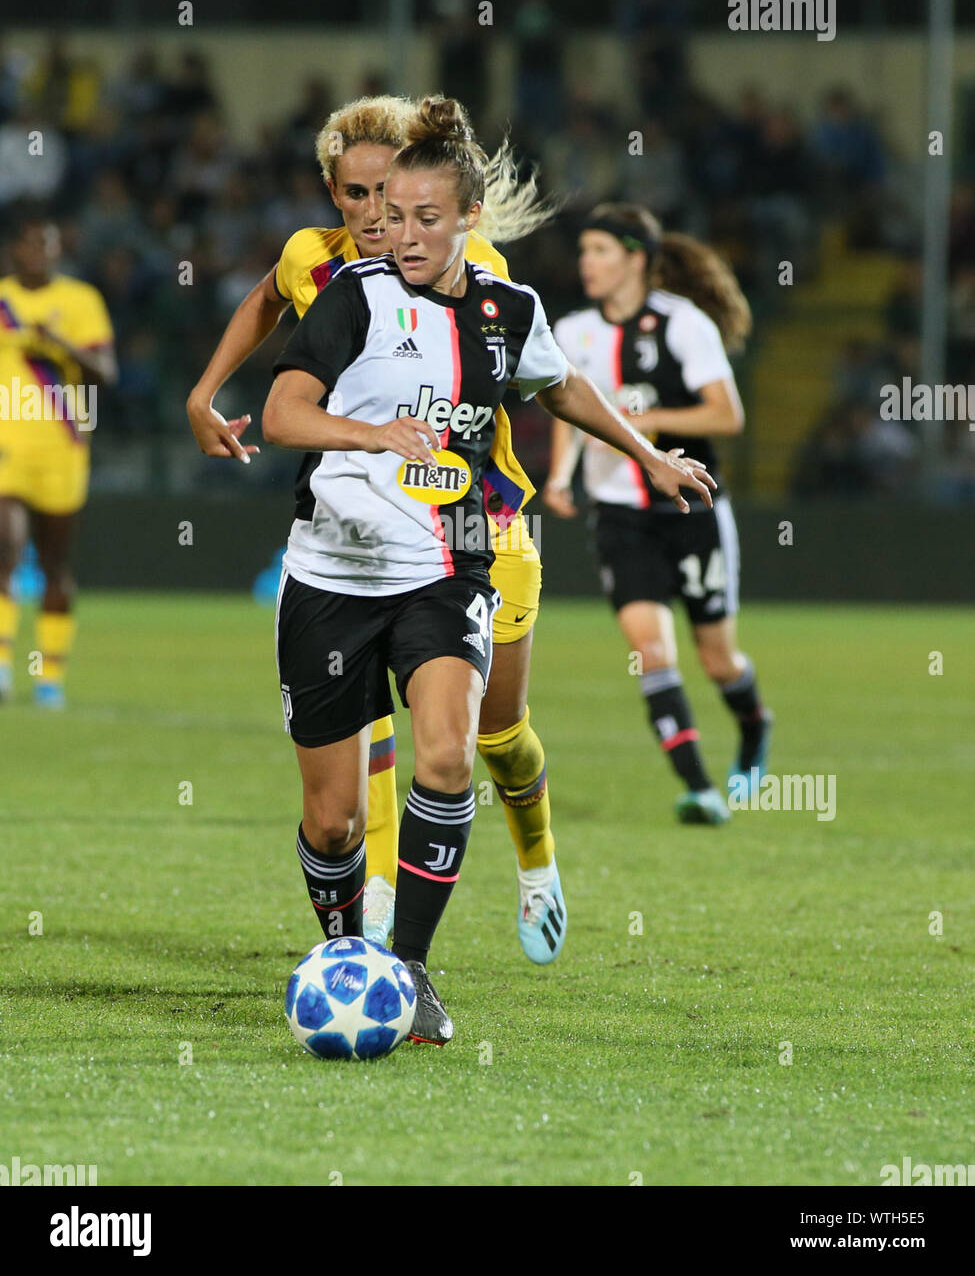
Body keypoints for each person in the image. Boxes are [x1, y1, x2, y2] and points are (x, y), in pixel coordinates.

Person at [262, 99, 715, 1043]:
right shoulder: (354, 295)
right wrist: (367, 433)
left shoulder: (511, 311)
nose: (406, 232)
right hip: (334, 567)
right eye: (394, 212)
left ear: (468, 217)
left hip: (451, 557)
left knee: (443, 755)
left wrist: (654, 458)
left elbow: (564, 387)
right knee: (335, 822)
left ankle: (413, 970)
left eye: (429, 217)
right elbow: (282, 413)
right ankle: (348, 950)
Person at [188, 95, 570, 966]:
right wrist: (203, 392)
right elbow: (263, 303)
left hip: (484, 525)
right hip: (364, 539)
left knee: (498, 733)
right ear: (333, 194)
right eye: (355, 198)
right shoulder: (315, 264)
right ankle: (385, 915)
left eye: (388, 197)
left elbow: (541, 377)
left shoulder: (473, 266)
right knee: (386, 737)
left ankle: (538, 860)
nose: (373, 217)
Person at [544, 203, 771, 825]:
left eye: (599, 250)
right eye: (584, 250)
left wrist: (649, 425)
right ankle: (699, 788)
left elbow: (727, 416)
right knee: (650, 649)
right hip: (621, 513)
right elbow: (568, 413)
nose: (586, 262)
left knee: (718, 660)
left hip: (691, 509)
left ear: (635, 258)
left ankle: (754, 725)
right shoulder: (572, 332)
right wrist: (559, 478)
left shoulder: (682, 323)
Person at [0, 212, 117, 707]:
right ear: (17, 250)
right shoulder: (3, 300)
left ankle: (49, 675)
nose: (38, 254)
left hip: (63, 448)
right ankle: (4, 667)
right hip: (8, 446)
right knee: (6, 548)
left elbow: (107, 374)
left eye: (47, 245)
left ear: (57, 251)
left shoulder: (80, 301)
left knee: (55, 564)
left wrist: (59, 343)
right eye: (30, 244)